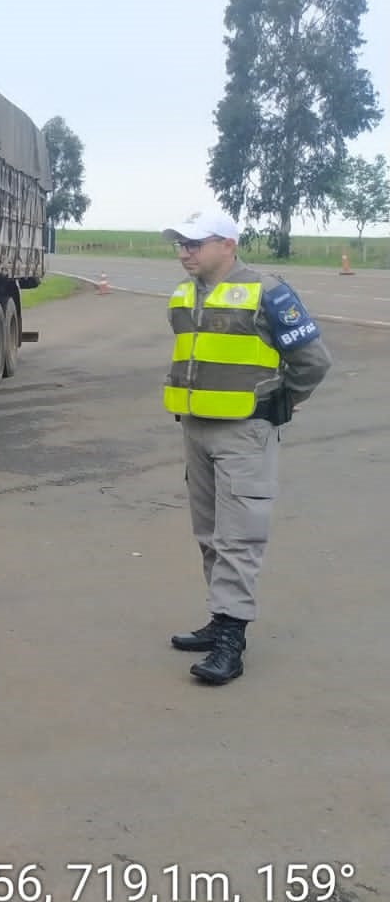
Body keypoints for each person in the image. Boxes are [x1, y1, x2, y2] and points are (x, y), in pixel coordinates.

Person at [160, 208, 332, 685]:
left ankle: (231, 640)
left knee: (239, 537)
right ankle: (220, 619)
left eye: (195, 243)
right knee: (209, 533)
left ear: (228, 244)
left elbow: (313, 361)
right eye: (180, 244)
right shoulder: (184, 293)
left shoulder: (268, 292)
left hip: (244, 432)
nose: (184, 252)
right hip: (196, 428)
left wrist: (281, 401)